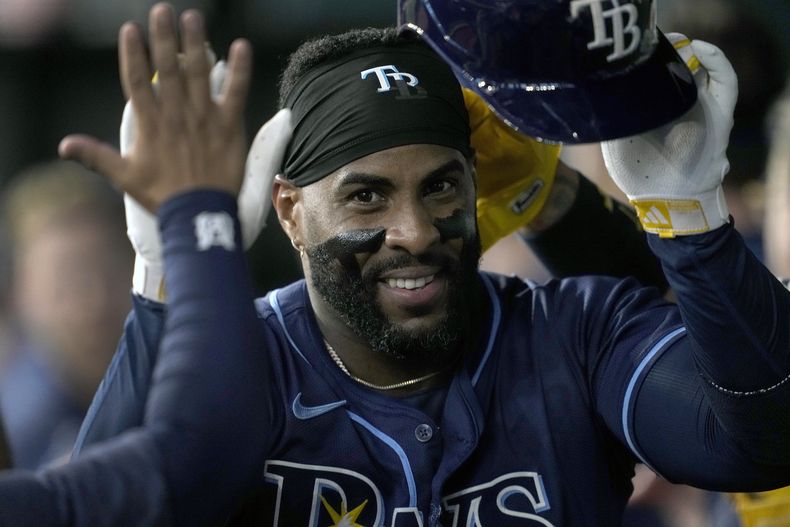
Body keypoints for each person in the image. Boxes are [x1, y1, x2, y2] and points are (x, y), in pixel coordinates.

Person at [0, 161, 132, 469]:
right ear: (19, 294)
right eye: (66, 281)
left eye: (110, 271)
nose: (94, 301)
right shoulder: (22, 432)